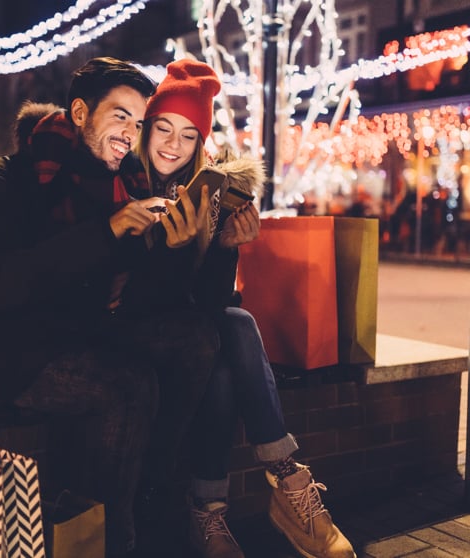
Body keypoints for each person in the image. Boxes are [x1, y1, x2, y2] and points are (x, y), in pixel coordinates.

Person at [0, 57, 220, 557]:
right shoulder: (13, 181)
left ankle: (156, 491)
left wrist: (185, 245)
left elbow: (145, 298)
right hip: (19, 352)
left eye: (140, 123)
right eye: (121, 116)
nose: (131, 133)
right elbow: (1, 288)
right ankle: (112, 542)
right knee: (128, 385)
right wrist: (109, 231)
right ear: (80, 112)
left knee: (197, 338)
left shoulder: (123, 184)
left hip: (84, 332)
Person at [134, 57, 356, 558]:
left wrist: (228, 244)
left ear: (201, 144)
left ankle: (208, 517)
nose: (172, 144)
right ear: (146, 129)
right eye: (163, 128)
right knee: (235, 323)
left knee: (223, 359)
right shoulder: (126, 188)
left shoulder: (206, 192)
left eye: (188, 136)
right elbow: (140, 299)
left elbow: (209, 304)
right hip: (141, 341)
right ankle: (287, 478)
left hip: (196, 340)